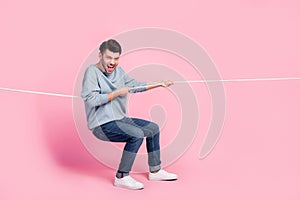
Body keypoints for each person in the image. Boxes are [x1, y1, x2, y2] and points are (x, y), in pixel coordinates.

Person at [81, 39, 177, 190]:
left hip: (120, 119)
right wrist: (117, 92)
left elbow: (135, 86)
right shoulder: (91, 72)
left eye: (116, 58)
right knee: (137, 134)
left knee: (153, 128)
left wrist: (159, 83)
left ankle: (155, 170)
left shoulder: (119, 72)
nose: (112, 62)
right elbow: (91, 100)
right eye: (109, 57)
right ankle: (121, 177)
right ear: (100, 56)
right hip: (101, 125)